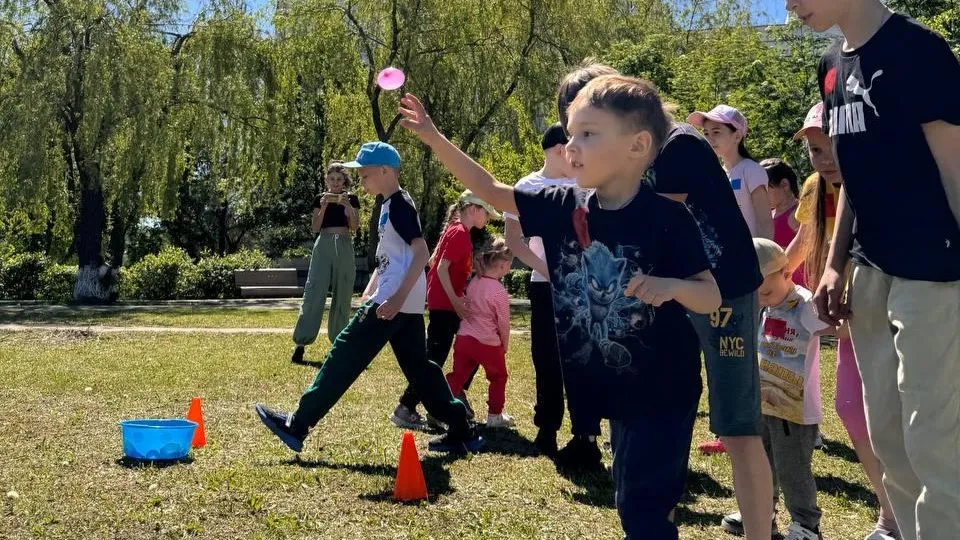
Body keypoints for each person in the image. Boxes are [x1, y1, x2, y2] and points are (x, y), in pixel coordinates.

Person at [399, 75, 722, 540]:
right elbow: (489, 189)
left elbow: (708, 295)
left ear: (637, 146)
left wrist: (669, 285)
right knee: (633, 499)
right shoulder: (560, 204)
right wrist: (432, 136)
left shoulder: (668, 218)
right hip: (617, 392)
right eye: (570, 133)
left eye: (588, 134)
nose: (572, 145)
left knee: (643, 512)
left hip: (665, 390)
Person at [560, 61, 772, 539]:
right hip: (665, 293)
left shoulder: (677, 146)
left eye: (590, 130)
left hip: (723, 292)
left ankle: (760, 530)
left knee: (735, 427)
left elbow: (653, 229)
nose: (579, 148)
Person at [790, 1, 960, 538]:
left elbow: (956, 172)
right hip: (868, 273)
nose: (788, 4)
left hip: (935, 270)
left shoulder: (921, 52)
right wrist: (834, 266)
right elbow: (856, 183)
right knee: (887, 437)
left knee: (933, 439)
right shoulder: (830, 66)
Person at [254, 141, 483, 455]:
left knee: (344, 353)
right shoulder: (389, 204)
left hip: (395, 302)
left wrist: (394, 299)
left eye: (364, 173)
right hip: (401, 301)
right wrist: (376, 288)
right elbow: (394, 258)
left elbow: (422, 254)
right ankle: (461, 430)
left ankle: (298, 424)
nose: (360, 178)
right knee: (421, 370)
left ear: (385, 170)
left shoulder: (400, 203)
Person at [784, 102, 901, 540]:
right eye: (815, 150)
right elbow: (803, 241)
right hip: (845, 322)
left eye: (832, 144)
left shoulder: (882, 181)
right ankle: (890, 516)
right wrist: (769, 278)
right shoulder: (816, 188)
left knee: (901, 414)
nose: (825, 157)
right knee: (851, 408)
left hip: (888, 316)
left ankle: (915, 511)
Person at [723, 239, 830, 540]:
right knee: (762, 461)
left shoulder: (805, 304)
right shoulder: (765, 305)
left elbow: (835, 326)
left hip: (795, 411)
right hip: (764, 402)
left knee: (792, 469)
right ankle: (760, 514)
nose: (762, 298)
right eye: (756, 293)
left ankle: (806, 525)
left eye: (767, 291)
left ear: (787, 273)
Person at [391, 190, 498, 431]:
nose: (488, 219)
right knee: (434, 361)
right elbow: (439, 269)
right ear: (473, 209)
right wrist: (456, 300)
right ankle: (407, 407)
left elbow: (434, 264)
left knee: (467, 346)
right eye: (487, 213)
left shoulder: (456, 231)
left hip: (445, 304)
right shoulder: (459, 233)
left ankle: (452, 394)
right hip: (446, 306)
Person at [503, 122, 579, 457]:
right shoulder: (527, 187)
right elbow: (513, 242)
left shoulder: (584, 183)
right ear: (560, 149)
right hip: (544, 285)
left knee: (580, 359)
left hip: (582, 289)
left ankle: (584, 433)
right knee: (546, 358)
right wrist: (550, 272)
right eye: (574, 147)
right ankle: (547, 429)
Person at [290, 162, 361, 364]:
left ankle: (339, 345)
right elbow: (315, 227)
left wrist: (348, 207)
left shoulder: (352, 199)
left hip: (345, 244)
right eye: (332, 179)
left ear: (344, 180)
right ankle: (301, 343)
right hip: (324, 245)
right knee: (314, 291)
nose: (336, 183)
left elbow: (355, 227)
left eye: (339, 179)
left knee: (343, 294)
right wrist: (322, 207)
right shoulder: (319, 199)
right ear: (326, 180)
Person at [445, 238, 515, 428]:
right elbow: (504, 324)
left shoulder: (474, 282)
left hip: (464, 339)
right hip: (488, 343)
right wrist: (504, 345)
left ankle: (439, 408)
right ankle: (494, 415)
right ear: (503, 264)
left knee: (457, 376)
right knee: (498, 378)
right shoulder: (499, 291)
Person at [688, 105, 775, 240]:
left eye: (716, 132)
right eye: (706, 133)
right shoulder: (714, 174)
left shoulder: (751, 170)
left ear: (737, 136)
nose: (709, 139)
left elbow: (765, 221)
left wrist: (764, 258)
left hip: (750, 256)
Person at [761, 158, 804, 287]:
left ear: (785, 184)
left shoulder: (798, 213)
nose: (760, 194)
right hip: (780, 289)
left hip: (801, 287)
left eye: (765, 188)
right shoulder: (770, 215)